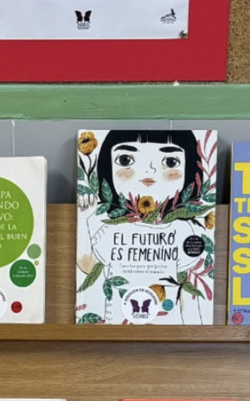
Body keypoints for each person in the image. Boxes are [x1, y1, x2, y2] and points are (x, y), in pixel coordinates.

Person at [76, 130, 213, 323]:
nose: (149, 171)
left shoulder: (185, 231)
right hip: (114, 328)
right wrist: (85, 216)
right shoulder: (108, 225)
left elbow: (189, 299)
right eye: (125, 160)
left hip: (169, 327)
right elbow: (88, 266)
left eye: (170, 162)